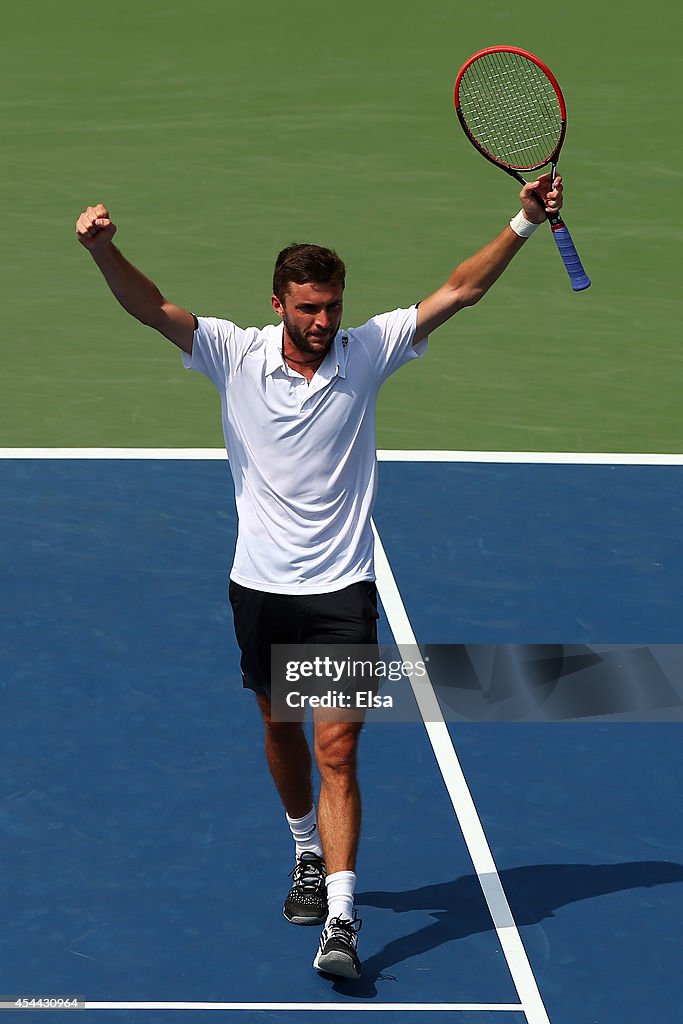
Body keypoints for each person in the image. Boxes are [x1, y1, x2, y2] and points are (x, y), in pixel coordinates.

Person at [75, 173, 564, 979]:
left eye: (331, 306)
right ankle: (305, 850)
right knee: (279, 731)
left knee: (336, 750)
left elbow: (460, 290)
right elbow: (149, 307)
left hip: (340, 590)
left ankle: (340, 919)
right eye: (307, 308)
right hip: (259, 587)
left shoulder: (365, 352)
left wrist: (523, 220)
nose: (323, 321)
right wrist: (105, 252)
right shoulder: (232, 355)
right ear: (277, 304)